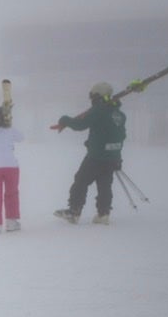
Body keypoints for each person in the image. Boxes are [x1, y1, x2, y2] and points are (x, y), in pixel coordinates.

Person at [53, 82, 126, 225]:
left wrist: (65, 120)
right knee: (105, 184)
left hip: (96, 157)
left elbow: (80, 125)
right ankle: (103, 214)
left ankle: (74, 211)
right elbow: (119, 135)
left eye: (92, 96)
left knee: (80, 181)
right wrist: (94, 143)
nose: (91, 99)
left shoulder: (98, 110)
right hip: (113, 157)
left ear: (97, 95)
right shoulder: (120, 114)